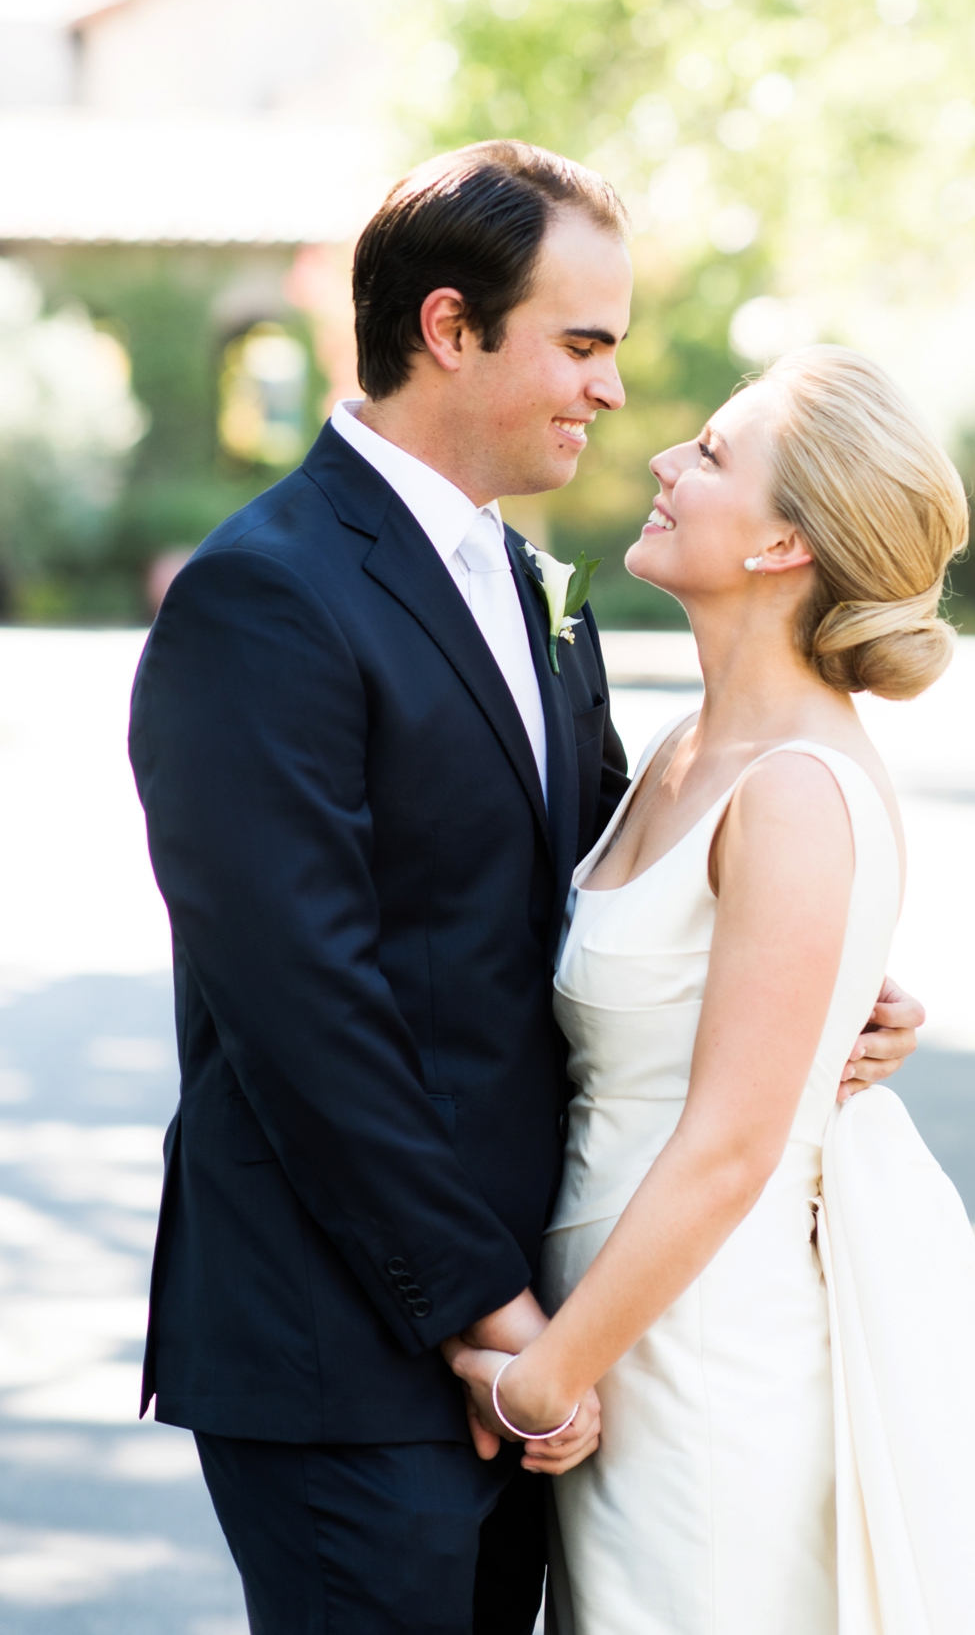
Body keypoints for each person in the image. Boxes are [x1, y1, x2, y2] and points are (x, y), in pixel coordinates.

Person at [128, 143, 923, 1635]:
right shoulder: (268, 597)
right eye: (583, 343)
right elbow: (307, 1009)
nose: (612, 391)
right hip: (355, 1340)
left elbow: (611, 896)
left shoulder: (536, 587)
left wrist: (808, 991)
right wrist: (491, 1323)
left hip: (559, 1332)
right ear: (448, 327)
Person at [449, 346, 975, 1634]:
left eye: (712, 454)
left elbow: (730, 1149)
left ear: (786, 543)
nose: (663, 460)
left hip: (700, 1357)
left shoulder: (793, 789)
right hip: (627, 1341)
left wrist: (547, 1375)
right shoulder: (687, 747)